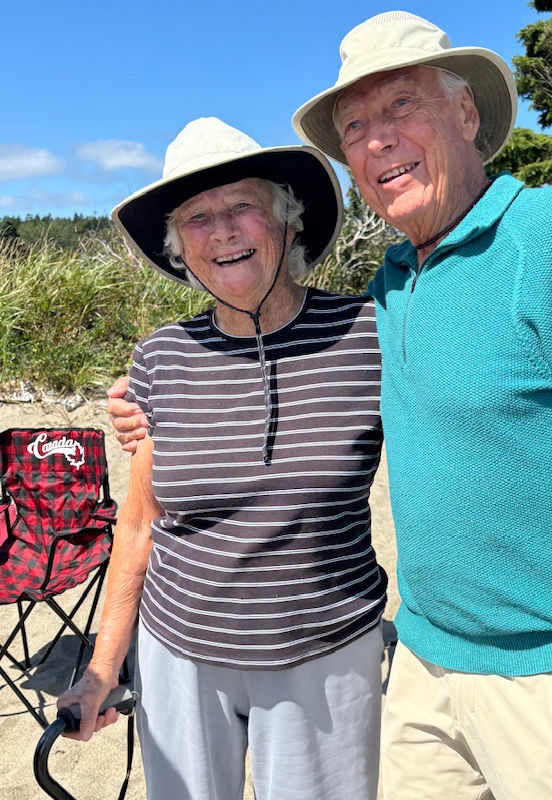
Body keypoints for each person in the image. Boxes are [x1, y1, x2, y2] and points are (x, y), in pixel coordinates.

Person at [110, 11, 552, 800]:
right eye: (355, 125)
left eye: (401, 108)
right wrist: (145, 408)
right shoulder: (390, 288)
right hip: (422, 668)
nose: (378, 139)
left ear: (465, 114)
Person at [59, 117, 387, 800]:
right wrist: (101, 668)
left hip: (325, 652)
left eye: (243, 206)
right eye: (199, 218)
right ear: (181, 248)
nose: (224, 230)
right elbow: (140, 524)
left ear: (288, 222)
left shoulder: (368, 336)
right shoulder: (159, 357)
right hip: (179, 653)